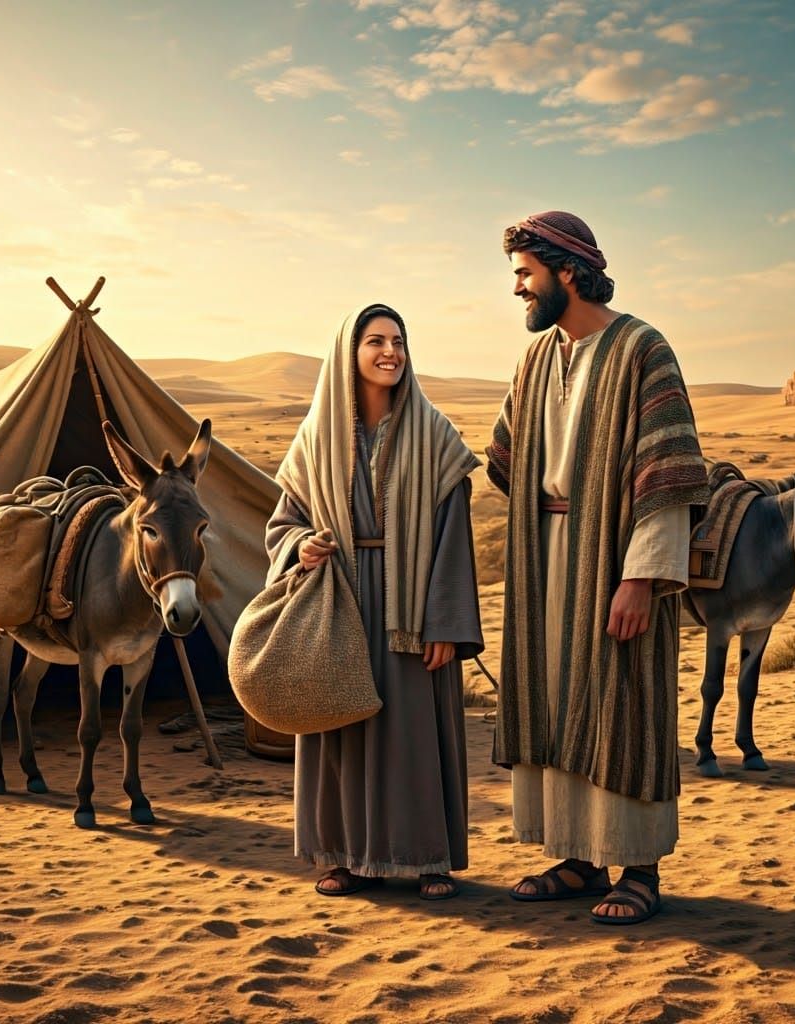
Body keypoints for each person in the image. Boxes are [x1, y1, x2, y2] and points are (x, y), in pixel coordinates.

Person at [486, 211, 709, 924]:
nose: (518, 287)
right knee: (555, 698)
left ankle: (639, 866)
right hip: (545, 560)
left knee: (623, 700)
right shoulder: (534, 358)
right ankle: (578, 856)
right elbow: (504, 459)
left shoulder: (644, 348)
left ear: (568, 272)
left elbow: (668, 472)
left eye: (526, 273)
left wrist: (641, 575)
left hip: (616, 557)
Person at [266, 303, 483, 900]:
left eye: (399, 341)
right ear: (348, 354)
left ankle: (428, 857)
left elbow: (452, 533)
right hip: (340, 603)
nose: (390, 352)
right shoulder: (316, 438)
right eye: (375, 342)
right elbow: (283, 523)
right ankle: (340, 856)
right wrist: (300, 546)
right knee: (340, 734)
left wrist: (446, 621)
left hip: (412, 609)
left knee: (417, 734)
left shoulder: (434, 432)